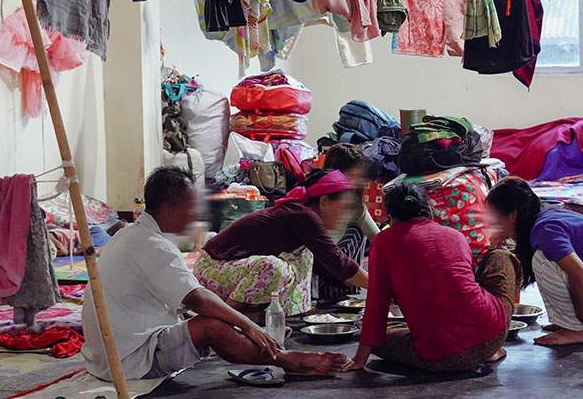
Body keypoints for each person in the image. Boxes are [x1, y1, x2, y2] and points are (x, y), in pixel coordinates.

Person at [81, 167, 347, 381]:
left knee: (219, 316)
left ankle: (267, 345)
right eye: (190, 207)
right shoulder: (151, 245)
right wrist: (248, 326)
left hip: (109, 355)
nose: (195, 215)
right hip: (129, 359)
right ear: (170, 207)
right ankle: (286, 359)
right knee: (211, 326)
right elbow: (197, 299)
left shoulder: (130, 234)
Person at [345, 184, 520, 372]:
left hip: (440, 356)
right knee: (502, 257)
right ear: (428, 211)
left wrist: (360, 359)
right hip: (492, 337)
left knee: (379, 340)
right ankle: (488, 352)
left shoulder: (383, 242)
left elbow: (377, 305)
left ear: (391, 218)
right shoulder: (456, 235)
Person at [194, 169, 369, 319]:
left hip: (230, 271)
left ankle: (284, 312)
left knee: (304, 256)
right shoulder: (303, 214)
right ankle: (224, 317)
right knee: (274, 267)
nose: (345, 215)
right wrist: (381, 287)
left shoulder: (302, 213)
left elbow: (327, 268)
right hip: (210, 269)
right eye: (342, 207)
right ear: (323, 202)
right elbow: (337, 262)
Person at [485, 177, 583, 346]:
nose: (493, 224)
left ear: (513, 215)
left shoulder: (546, 229)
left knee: (543, 261)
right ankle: (568, 322)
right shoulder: (544, 217)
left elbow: (578, 272)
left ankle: (576, 329)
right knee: (530, 252)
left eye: (495, 218)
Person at [318, 143, 381, 301]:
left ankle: (345, 296)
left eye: (357, 178)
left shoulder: (355, 205)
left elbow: (378, 239)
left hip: (341, 270)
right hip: (318, 270)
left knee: (357, 231)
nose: (354, 184)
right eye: (350, 177)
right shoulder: (317, 200)